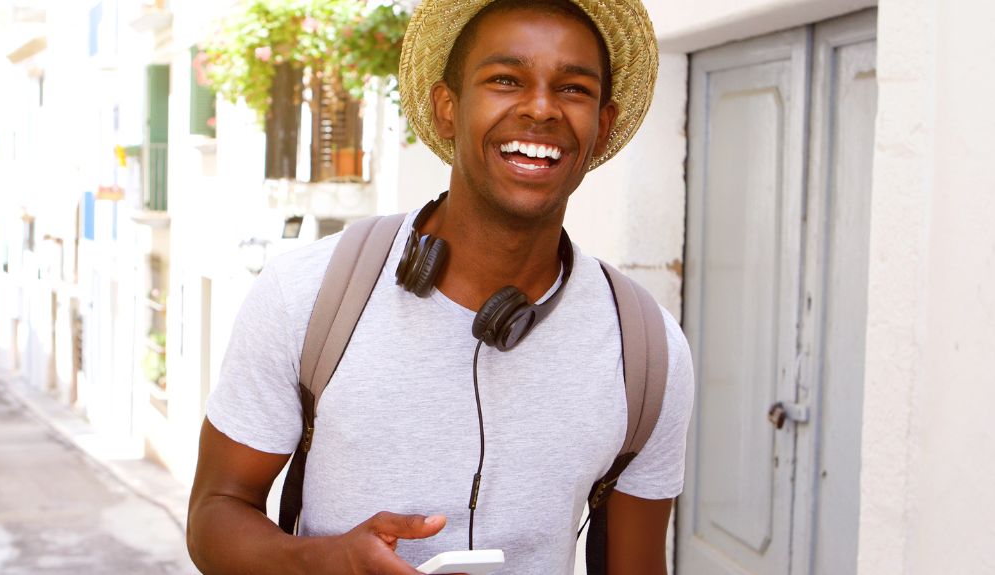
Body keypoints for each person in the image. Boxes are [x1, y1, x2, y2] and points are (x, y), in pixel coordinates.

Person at [186, 0, 693, 572]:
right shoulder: (306, 295)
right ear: (447, 107)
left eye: (574, 89)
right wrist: (324, 562)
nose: (542, 109)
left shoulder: (648, 352)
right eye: (506, 79)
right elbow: (214, 514)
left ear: (601, 127)